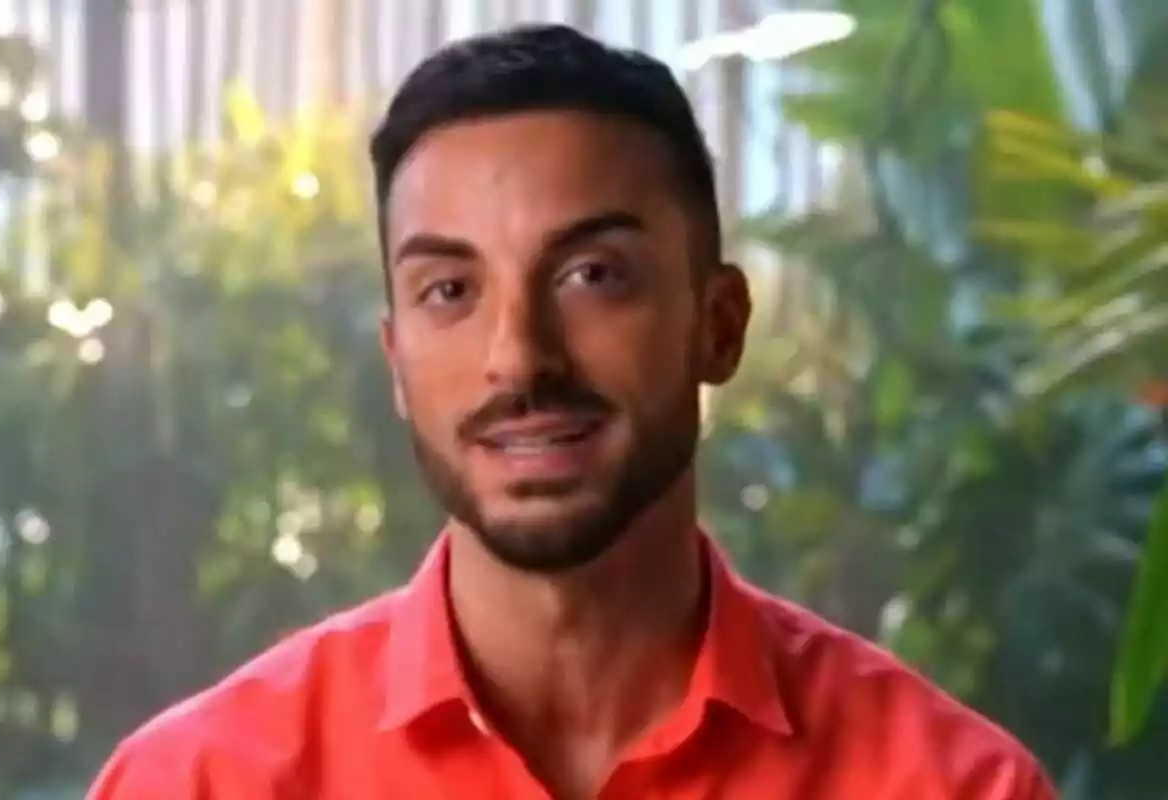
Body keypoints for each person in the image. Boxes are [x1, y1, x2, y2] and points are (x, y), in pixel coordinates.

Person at [87, 24, 1057, 800]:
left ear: (719, 324)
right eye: (450, 290)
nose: (519, 356)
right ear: (395, 360)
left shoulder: (948, 783)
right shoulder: (200, 781)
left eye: (593, 275)